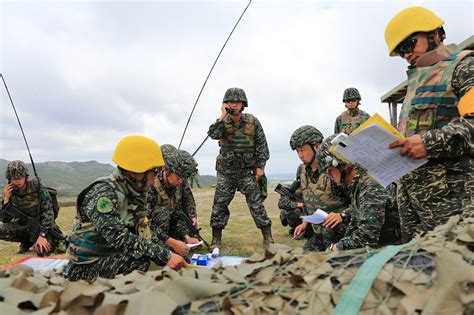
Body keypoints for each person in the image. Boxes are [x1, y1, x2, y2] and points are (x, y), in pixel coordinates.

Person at [385, 6, 473, 241]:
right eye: (400, 52)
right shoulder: (415, 85)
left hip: (454, 210)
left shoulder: (464, 67)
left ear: (434, 33)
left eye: (408, 45)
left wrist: (428, 143)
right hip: (416, 209)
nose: (406, 55)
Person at [66, 135, 187, 281]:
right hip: (86, 268)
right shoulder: (103, 193)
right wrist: (165, 255)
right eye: (154, 172)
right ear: (137, 170)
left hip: (112, 257)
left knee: (160, 264)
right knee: (147, 267)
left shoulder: (132, 192)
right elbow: (118, 237)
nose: (155, 178)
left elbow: (144, 230)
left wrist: (167, 251)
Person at [207, 87, 273, 248]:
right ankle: (216, 239)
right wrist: (222, 116)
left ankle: (267, 237)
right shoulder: (222, 123)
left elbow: (262, 146)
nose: (234, 105)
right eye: (230, 102)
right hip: (226, 172)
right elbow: (212, 134)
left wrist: (260, 167)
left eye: (237, 102)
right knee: (220, 205)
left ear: (243, 104)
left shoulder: (252, 121)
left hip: (246, 172)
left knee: (256, 204)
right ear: (225, 104)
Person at [317, 136, 401, 251]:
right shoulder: (358, 185)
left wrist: (335, 248)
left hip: (392, 251)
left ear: (344, 164)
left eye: (330, 171)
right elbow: (355, 224)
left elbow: (367, 239)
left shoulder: (371, 186)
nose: (330, 177)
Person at [288, 126, 349, 252]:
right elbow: (306, 198)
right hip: (318, 234)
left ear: (316, 146)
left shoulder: (335, 169)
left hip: (340, 233)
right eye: (297, 151)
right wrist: (305, 223)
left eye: (302, 150)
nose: (300, 155)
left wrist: (341, 215)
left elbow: (357, 202)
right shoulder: (302, 170)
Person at [147, 144, 200, 257]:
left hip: (168, 229)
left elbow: (177, 214)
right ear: (167, 170)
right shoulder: (151, 185)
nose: (181, 181)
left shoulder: (178, 185)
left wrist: (186, 237)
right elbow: (144, 223)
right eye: (178, 177)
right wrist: (170, 242)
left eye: (184, 178)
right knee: (162, 212)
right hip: (150, 233)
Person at [1, 160, 55, 256]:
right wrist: (6, 200)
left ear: (25, 176)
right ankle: (27, 242)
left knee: (41, 252)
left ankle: (37, 240)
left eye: (20, 177)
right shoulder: (8, 192)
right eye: (14, 178)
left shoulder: (37, 186)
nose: (17, 181)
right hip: (23, 227)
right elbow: (5, 220)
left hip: (42, 227)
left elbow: (48, 212)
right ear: (9, 179)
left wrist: (42, 234)